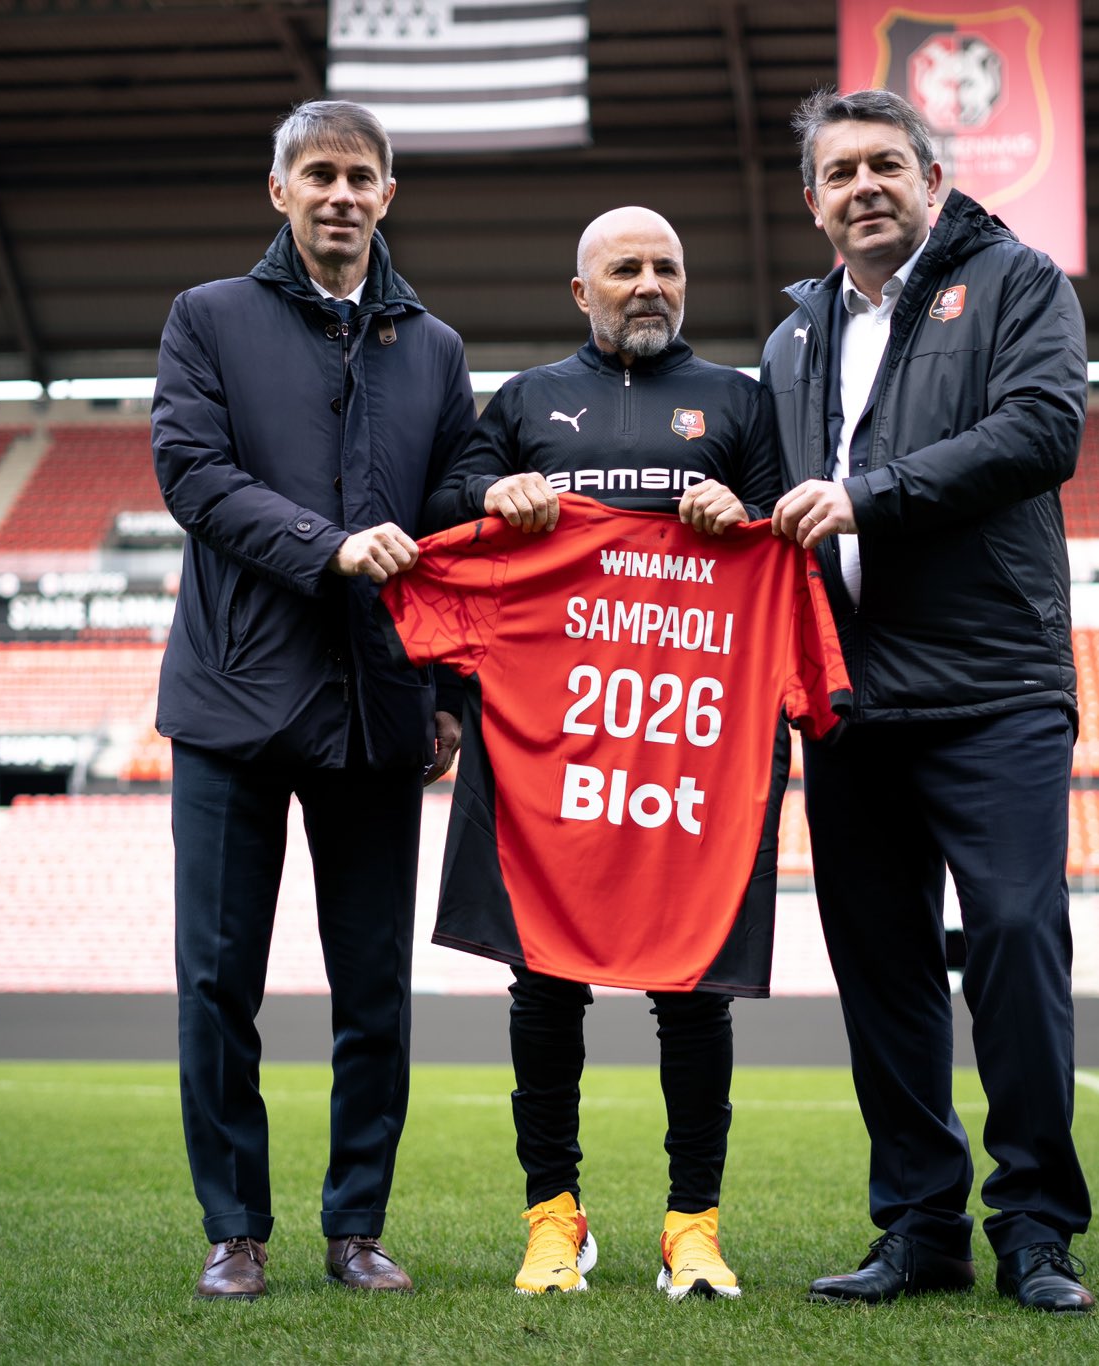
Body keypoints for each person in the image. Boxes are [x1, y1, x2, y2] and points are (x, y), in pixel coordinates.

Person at [761, 87, 1095, 1312]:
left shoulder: (1016, 282)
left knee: (1011, 934)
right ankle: (917, 1224)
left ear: (932, 179)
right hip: (848, 700)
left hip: (994, 680)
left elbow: (1041, 431)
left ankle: (1036, 1228)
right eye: (839, 172)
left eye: (885, 164)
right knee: (881, 965)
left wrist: (872, 494)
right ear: (813, 204)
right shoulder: (792, 338)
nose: (863, 186)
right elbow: (763, 497)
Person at [421, 207, 782, 1300]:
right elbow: (438, 516)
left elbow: (791, 535)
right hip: (552, 748)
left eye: (666, 266)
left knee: (693, 993)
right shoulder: (525, 401)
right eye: (622, 267)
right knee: (544, 984)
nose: (647, 283)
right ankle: (552, 1219)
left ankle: (693, 1225)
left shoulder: (741, 402)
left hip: (686, 749)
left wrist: (749, 507)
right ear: (580, 291)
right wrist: (491, 492)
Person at [150, 100, 476, 1301]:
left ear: (388, 197)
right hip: (234, 703)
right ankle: (234, 1227)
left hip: (378, 709)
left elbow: (449, 531)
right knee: (217, 979)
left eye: (362, 178)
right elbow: (191, 473)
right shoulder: (208, 317)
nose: (341, 195)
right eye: (319, 174)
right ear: (279, 190)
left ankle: (355, 1228)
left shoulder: (434, 348)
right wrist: (326, 546)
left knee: (373, 987)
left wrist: (445, 690)